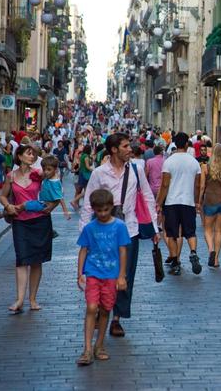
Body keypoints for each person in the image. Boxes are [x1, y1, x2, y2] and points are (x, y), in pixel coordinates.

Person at [80, 133, 159, 338]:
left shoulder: (136, 169)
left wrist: (154, 229)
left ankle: (117, 318)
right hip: (101, 231)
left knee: (125, 275)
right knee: (103, 272)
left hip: (129, 229)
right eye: (125, 146)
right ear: (114, 149)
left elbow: (148, 197)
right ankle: (100, 306)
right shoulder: (99, 173)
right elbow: (88, 204)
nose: (129, 149)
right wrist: (84, 233)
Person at [75, 189, 130, 366]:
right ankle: (87, 349)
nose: (103, 214)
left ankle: (99, 346)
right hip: (94, 273)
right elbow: (83, 250)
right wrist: (80, 274)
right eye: (99, 211)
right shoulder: (90, 228)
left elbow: (123, 251)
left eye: (106, 210)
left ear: (111, 208)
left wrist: (121, 276)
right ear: (94, 209)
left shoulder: (120, 226)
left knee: (106, 309)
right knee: (92, 307)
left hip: (111, 275)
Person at [0, 145, 56, 313]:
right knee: (22, 259)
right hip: (20, 222)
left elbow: (54, 180)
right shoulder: (11, 176)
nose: (32, 156)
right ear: (20, 156)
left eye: (34, 154)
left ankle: (33, 299)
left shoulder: (38, 173)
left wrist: (51, 205)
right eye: (29, 153)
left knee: (36, 260)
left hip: (40, 220)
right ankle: (19, 300)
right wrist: (8, 205)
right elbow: (3, 195)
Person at [156, 132, 202, 276]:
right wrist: (196, 201)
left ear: (175, 144)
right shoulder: (194, 162)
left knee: (173, 234)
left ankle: (175, 262)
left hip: (171, 202)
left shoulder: (169, 161)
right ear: (187, 144)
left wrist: (159, 202)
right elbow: (198, 185)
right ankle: (193, 252)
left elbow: (164, 184)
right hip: (188, 202)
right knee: (190, 232)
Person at [198, 144, 221, 268]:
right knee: (219, 230)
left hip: (210, 200)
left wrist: (199, 201)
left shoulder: (205, 167)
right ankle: (216, 259)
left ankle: (211, 250)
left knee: (208, 229)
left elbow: (202, 186)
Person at [71, 145, 93, 210]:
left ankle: (76, 202)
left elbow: (80, 166)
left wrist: (75, 170)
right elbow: (87, 167)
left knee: (79, 190)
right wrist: (94, 170)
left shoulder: (82, 156)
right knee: (86, 191)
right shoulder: (86, 156)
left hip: (81, 174)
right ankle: (75, 201)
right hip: (86, 174)